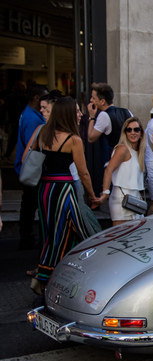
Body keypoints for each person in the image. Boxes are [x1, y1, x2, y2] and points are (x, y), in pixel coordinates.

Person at [25, 96, 97, 292]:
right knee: (76, 230)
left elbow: (30, 156)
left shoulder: (42, 134)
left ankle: (46, 275)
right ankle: (51, 276)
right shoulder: (73, 139)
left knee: (50, 232)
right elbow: (83, 173)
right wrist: (92, 195)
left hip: (45, 189)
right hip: (63, 189)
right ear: (67, 114)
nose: (80, 114)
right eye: (76, 111)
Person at [97, 117, 146, 225]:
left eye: (136, 129)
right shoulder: (123, 149)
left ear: (141, 132)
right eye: (129, 130)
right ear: (125, 133)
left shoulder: (138, 152)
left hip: (133, 198)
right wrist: (105, 192)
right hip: (121, 198)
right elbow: (108, 170)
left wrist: (138, 193)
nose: (132, 133)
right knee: (120, 237)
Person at [15, 84, 48, 250]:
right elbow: (33, 149)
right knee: (29, 205)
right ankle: (26, 237)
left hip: (26, 169)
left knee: (28, 204)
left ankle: (25, 235)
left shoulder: (27, 114)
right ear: (37, 98)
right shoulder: (33, 119)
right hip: (31, 170)